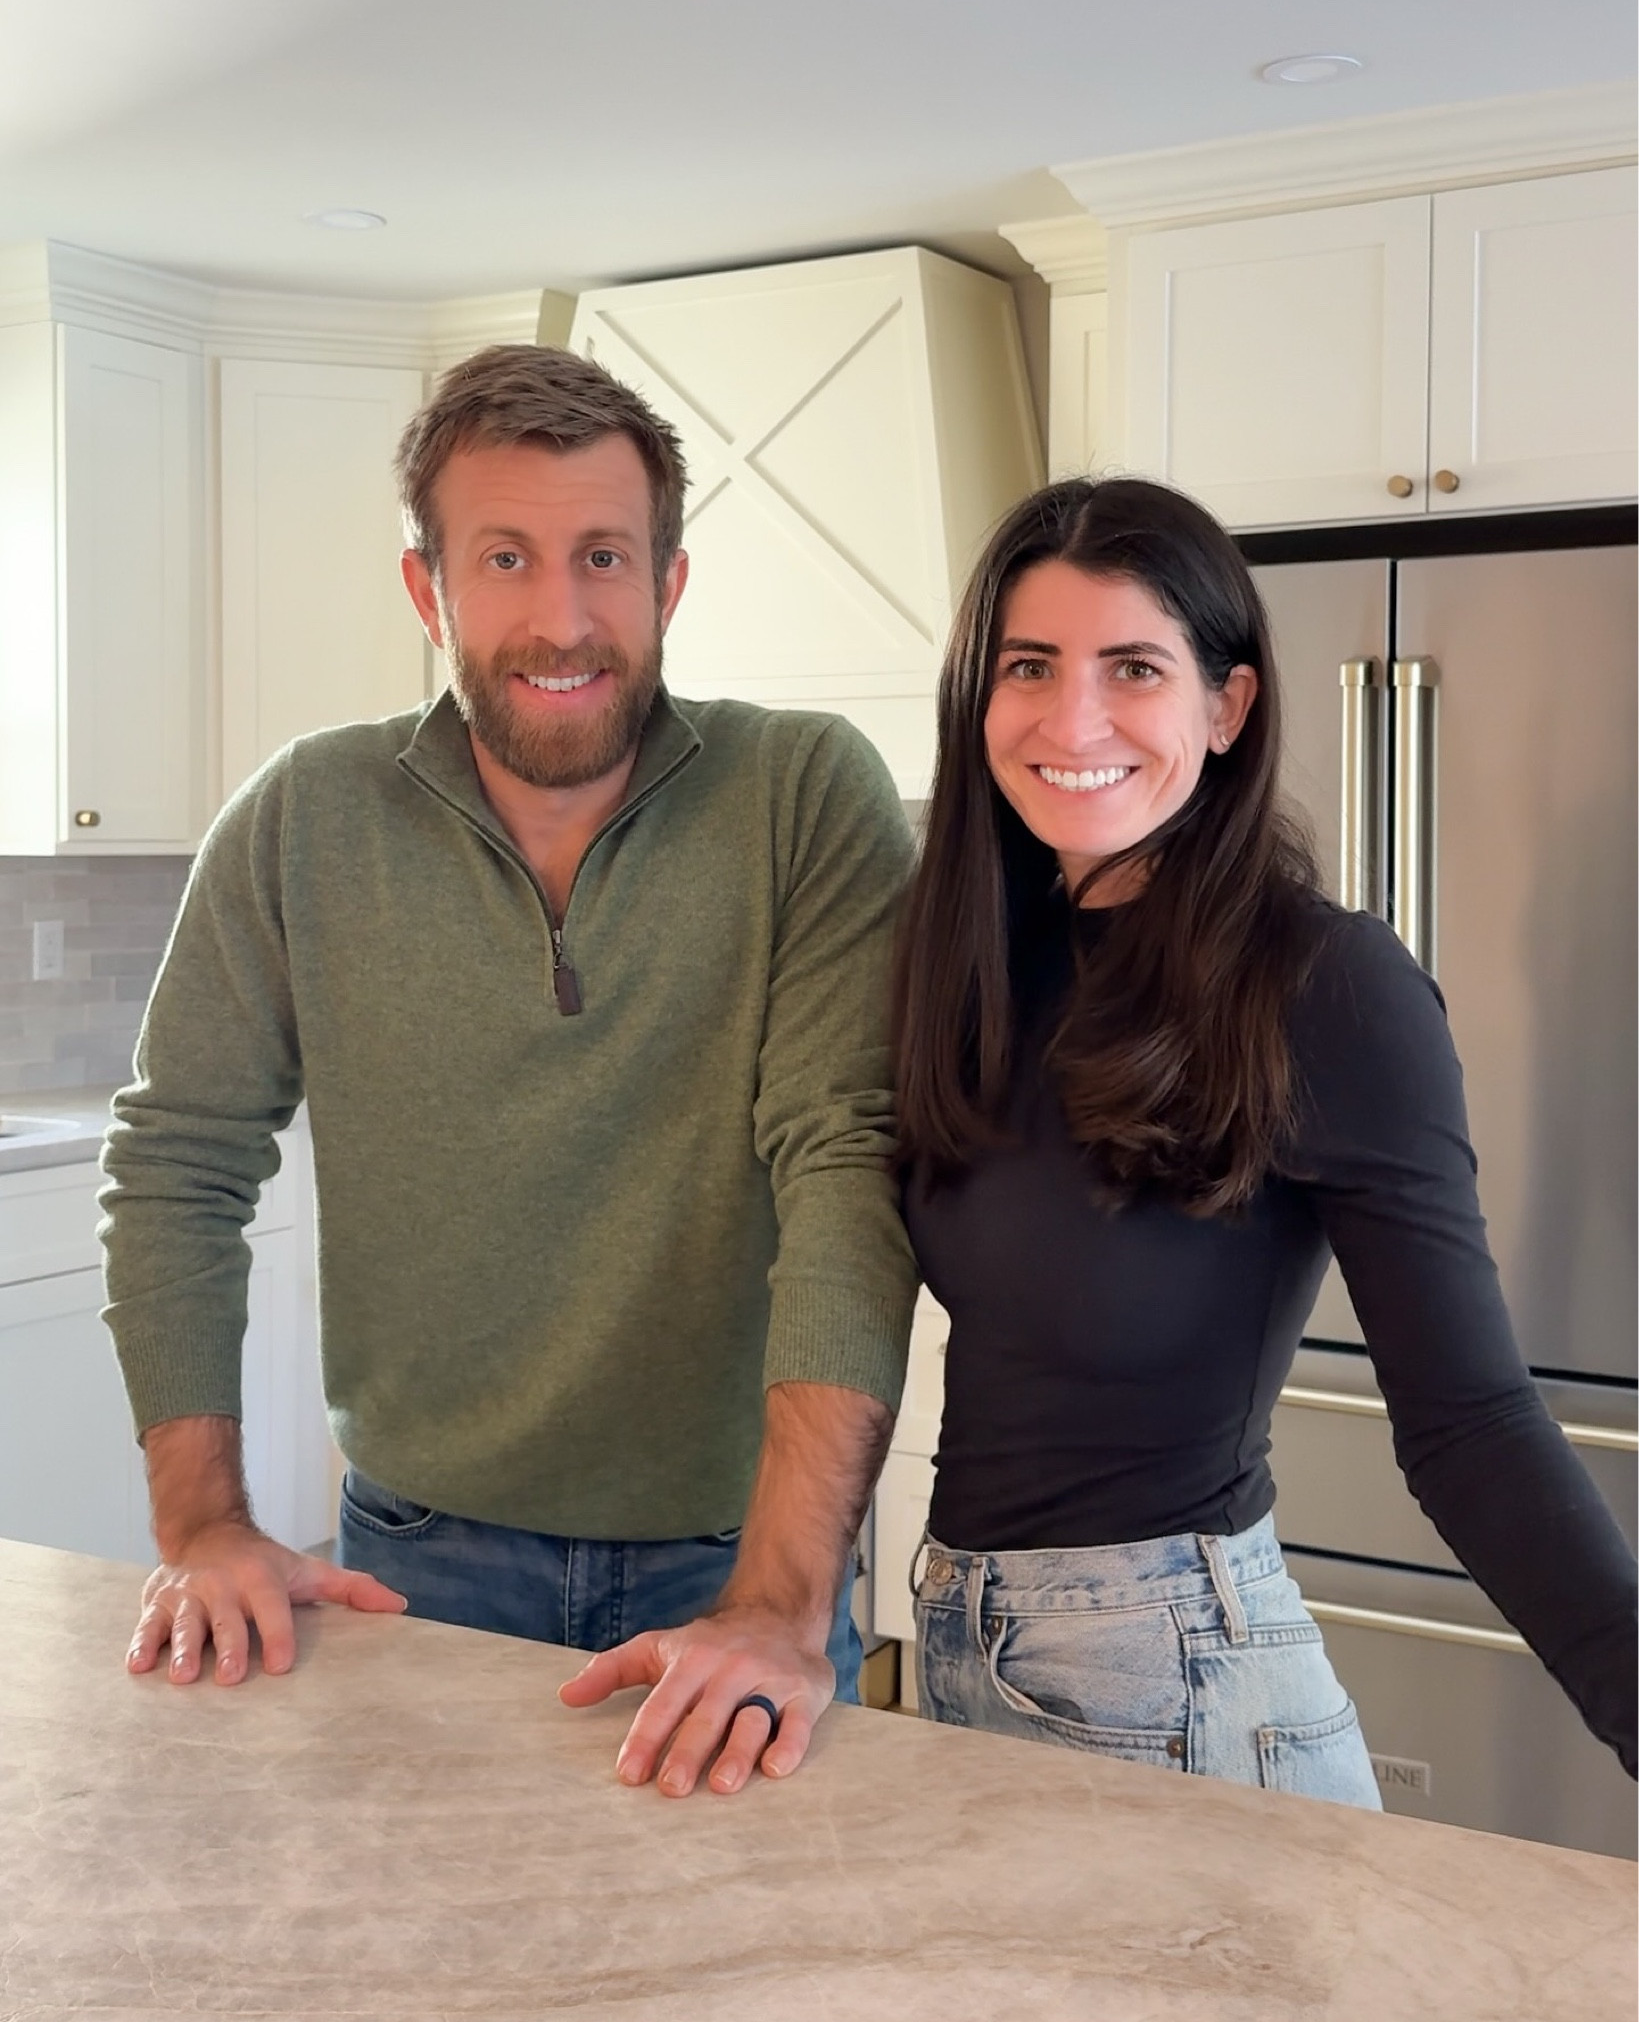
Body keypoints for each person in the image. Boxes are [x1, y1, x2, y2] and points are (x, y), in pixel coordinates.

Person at [99, 343, 918, 1799]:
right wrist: (202, 1522)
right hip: (417, 1563)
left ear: (669, 582)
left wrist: (783, 1604)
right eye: (505, 559)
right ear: (429, 591)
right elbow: (177, 1163)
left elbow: (848, 1172)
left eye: (604, 556)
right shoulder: (301, 817)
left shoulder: (803, 794)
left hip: (739, 1561)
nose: (562, 617)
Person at [891, 475, 1637, 1801]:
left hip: (1181, 1695)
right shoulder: (976, 961)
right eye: (1030, 665)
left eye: (1134, 668)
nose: (1073, 718)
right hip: (962, 1657)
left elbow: (1471, 1424)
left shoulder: (1324, 984)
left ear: (1226, 707)